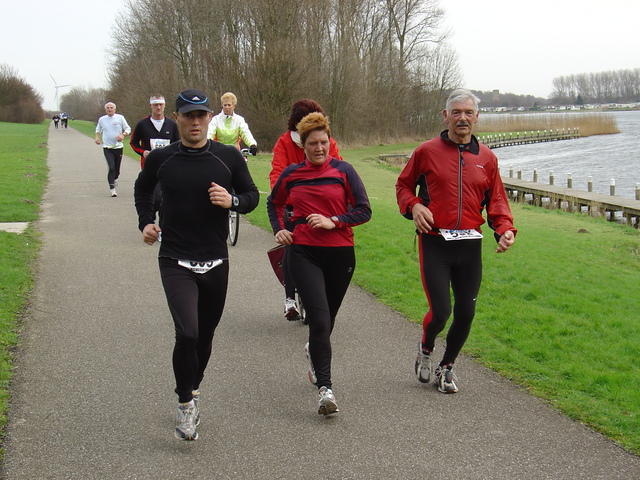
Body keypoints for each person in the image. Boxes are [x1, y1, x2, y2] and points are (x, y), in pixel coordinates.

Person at [134, 88, 259, 441]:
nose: (195, 121)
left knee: (204, 337)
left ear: (209, 119)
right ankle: (185, 402)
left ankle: (193, 386)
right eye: (187, 115)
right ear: (177, 118)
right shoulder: (162, 160)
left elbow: (251, 197)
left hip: (216, 259)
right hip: (175, 257)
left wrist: (231, 200)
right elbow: (143, 190)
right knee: (186, 332)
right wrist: (146, 221)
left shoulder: (228, 158)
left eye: (201, 115)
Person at [395, 88, 517, 394]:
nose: (462, 118)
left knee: (466, 312)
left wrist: (504, 228)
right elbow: (403, 185)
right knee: (440, 312)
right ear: (446, 116)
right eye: (456, 112)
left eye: (468, 113)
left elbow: (497, 200)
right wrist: (414, 205)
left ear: (476, 117)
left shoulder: (487, 158)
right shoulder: (426, 151)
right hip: (435, 243)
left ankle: (446, 367)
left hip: (469, 246)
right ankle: (426, 346)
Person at [267, 112, 371, 415]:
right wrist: (279, 229)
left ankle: (314, 351)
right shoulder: (292, 174)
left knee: (328, 323)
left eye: (324, 142)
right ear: (304, 146)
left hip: (340, 253)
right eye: (313, 143)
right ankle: (325, 389)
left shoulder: (344, 171)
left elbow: (364, 211)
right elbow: (273, 203)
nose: (319, 148)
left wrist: (333, 220)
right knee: (319, 320)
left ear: (330, 142)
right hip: (304, 253)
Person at [269, 99, 343, 320]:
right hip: (294, 205)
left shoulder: (329, 142)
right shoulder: (284, 142)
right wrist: (294, 198)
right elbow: (277, 175)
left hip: (324, 207)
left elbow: (339, 170)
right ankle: (290, 298)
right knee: (292, 244)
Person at [130, 94, 180, 217]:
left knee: (166, 199)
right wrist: (143, 152)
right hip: (150, 166)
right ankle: (150, 216)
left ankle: (163, 227)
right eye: (155, 105)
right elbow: (133, 142)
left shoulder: (171, 124)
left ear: (164, 106)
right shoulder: (142, 124)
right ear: (150, 106)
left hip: (168, 166)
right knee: (156, 198)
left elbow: (177, 144)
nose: (158, 107)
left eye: (161, 105)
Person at [95, 102, 131, 197]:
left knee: (117, 170)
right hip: (107, 147)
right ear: (105, 109)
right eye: (107, 108)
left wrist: (123, 135)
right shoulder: (102, 119)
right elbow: (98, 129)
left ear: (114, 109)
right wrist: (97, 137)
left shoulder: (120, 118)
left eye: (111, 108)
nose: (109, 109)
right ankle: (112, 189)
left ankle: (115, 178)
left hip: (118, 147)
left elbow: (128, 128)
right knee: (111, 167)